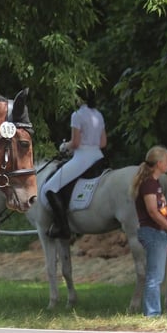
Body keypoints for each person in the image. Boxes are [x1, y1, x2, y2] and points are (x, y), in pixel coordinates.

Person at [41, 89, 107, 239]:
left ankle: (63, 228)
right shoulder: (98, 114)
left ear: (79, 99)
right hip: (98, 157)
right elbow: (103, 143)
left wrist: (65, 147)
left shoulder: (76, 115)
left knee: (49, 188)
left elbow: (76, 143)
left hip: (83, 158)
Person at [131, 145, 167, 317]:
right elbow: (153, 211)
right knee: (154, 277)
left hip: (159, 233)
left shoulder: (156, 184)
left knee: (157, 276)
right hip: (152, 232)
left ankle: (153, 312)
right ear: (159, 163)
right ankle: (152, 313)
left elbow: (162, 211)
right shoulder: (148, 185)